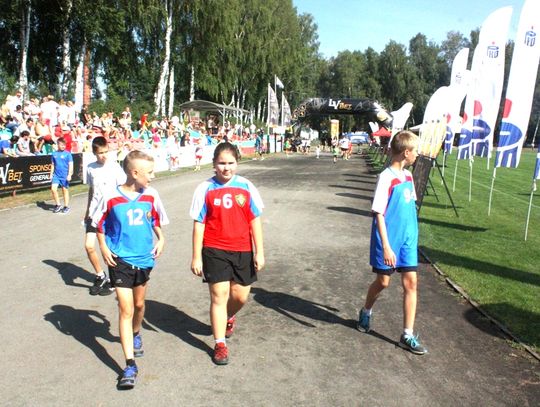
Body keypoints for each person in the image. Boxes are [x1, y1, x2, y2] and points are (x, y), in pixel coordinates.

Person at [92, 150, 168, 389]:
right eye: (150, 172)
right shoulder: (111, 197)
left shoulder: (151, 196)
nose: (153, 176)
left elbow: (154, 221)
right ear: (134, 173)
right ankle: (129, 365)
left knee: (138, 305)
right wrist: (103, 247)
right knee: (125, 308)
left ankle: (136, 333)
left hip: (144, 259)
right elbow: (99, 224)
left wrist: (161, 239)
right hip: (120, 260)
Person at [190, 142, 265, 365]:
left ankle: (229, 317)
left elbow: (255, 220)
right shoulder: (204, 188)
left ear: (237, 163)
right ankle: (220, 343)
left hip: (242, 249)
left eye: (230, 163)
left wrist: (259, 252)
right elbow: (199, 223)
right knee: (219, 296)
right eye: (221, 163)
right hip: (214, 249)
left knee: (240, 296)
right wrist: (196, 256)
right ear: (214, 164)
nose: (226, 168)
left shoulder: (247, 186)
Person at [356, 130, 427, 355]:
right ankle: (366, 311)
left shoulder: (407, 176)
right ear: (406, 152)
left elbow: (409, 208)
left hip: (407, 240)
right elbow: (378, 213)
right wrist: (386, 246)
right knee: (383, 282)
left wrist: (413, 235)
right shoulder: (386, 177)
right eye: (415, 151)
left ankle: (407, 334)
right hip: (388, 240)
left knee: (411, 283)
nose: (417, 154)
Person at [84, 136, 126, 296]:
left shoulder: (115, 168)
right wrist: (87, 210)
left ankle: (115, 280)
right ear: (94, 153)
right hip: (94, 213)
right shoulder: (90, 168)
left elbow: (122, 189)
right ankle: (100, 275)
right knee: (89, 246)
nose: (104, 156)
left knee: (108, 249)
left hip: (110, 214)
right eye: (100, 153)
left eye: (106, 152)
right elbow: (91, 190)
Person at [50, 137, 73, 214]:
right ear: (58, 144)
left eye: (64, 145)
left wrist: (69, 174)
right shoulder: (54, 154)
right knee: (53, 189)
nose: (63, 146)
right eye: (61, 145)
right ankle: (58, 205)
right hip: (56, 175)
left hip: (64, 175)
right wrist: (51, 174)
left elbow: (71, 165)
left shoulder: (68, 154)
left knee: (64, 190)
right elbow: (53, 165)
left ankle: (66, 206)